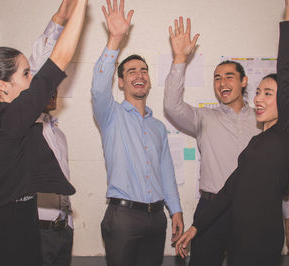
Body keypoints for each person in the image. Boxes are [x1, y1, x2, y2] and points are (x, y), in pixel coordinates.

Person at [175, 0, 289, 265]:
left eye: (268, 93)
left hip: (261, 237)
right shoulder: (256, 142)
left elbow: (286, 70)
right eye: (258, 92)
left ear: (286, 101)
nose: (259, 99)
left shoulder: (286, 134)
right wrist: (197, 226)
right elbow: (230, 189)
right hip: (241, 236)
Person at [0, 0, 87, 265]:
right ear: (2, 85)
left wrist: (59, 18)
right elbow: (59, 60)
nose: (33, 79)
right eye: (27, 74)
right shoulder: (11, 122)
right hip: (10, 244)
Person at [91, 0, 183, 265]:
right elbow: (98, 88)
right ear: (121, 82)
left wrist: (175, 211)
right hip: (123, 218)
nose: (139, 74)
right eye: (131, 71)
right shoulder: (111, 115)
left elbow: (166, 172)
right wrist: (114, 40)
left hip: (157, 218)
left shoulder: (158, 127)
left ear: (150, 81)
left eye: (143, 70)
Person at [37, 91, 74, 266]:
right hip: (38, 229)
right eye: (46, 86)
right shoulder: (25, 131)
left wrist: (69, 225)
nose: (53, 91)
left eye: (55, 87)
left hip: (64, 229)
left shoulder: (60, 134)